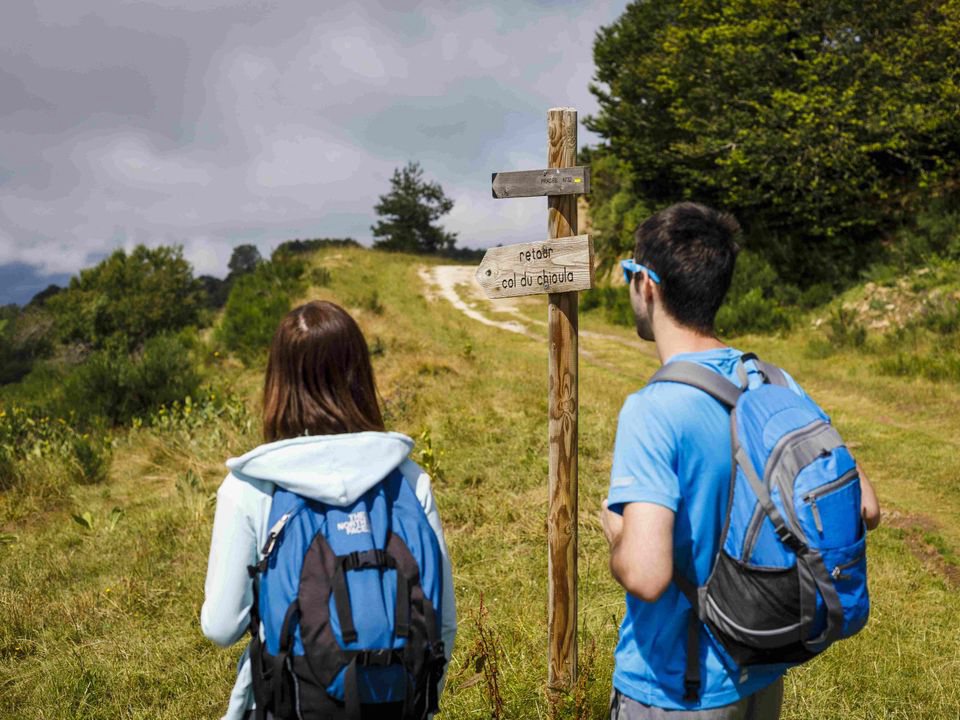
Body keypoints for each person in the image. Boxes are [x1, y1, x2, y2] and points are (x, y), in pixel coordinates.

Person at [599, 202, 880, 720]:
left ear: (647, 285)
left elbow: (646, 574)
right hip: (762, 672)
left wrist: (616, 533)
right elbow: (867, 506)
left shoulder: (652, 409)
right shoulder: (774, 380)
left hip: (676, 688)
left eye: (628, 272)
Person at [201, 300, 456, 720]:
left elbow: (222, 627)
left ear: (278, 381)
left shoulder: (250, 486)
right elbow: (442, 622)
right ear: (360, 375)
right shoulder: (408, 479)